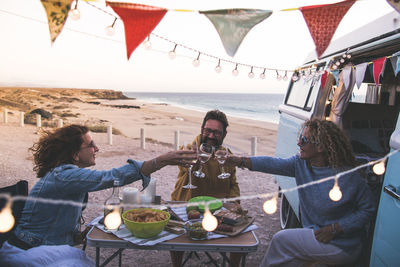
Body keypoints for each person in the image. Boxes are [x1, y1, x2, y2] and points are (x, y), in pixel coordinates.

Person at [7, 125, 196, 251]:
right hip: (32, 249)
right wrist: (161, 160)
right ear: (75, 155)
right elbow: (110, 177)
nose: (97, 149)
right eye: (90, 145)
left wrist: (77, 234)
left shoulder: (66, 174)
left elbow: (58, 216)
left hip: (47, 244)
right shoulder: (64, 176)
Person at [226, 119, 376, 266]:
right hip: (316, 235)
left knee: (281, 240)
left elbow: (368, 209)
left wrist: (335, 229)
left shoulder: (347, 176)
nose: (299, 143)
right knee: (290, 259)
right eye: (300, 138)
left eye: (304, 140)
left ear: (320, 147)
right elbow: (273, 163)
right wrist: (240, 161)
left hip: (343, 245)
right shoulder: (301, 164)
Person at [170, 110, 242, 267]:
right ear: (202, 129)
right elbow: (183, 165)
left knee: (240, 234)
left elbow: (233, 183)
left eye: (216, 132)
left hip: (218, 209)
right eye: (208, 130)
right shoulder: (189, 149)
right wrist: (193, 162)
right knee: (177, 232)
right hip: (188, 206)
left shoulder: (226, 154)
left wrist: (235, 203)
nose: (210, 136)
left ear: (224, 135)